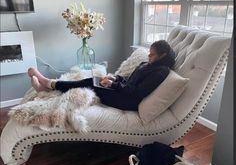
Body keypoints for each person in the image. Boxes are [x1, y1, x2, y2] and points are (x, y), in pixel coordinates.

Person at [28, 40, 175, 111]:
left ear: (162, 56)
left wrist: (114, 85)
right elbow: (131, 81)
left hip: (128, 101)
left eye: (152, 54)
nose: (149, 56)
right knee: (94, 80)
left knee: (91, 83)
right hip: (123, 91)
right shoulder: (149, 64)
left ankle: (49, 85)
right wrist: (115, 79)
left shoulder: (160, 71)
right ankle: (50, 88)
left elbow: (138, 92)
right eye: (149, 53)